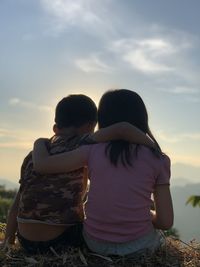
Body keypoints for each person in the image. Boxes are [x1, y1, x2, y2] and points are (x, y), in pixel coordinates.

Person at [2, 93, 154, 254]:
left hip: (26, 241)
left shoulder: (35, 154)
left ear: (55, 128)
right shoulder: (85, 144)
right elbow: (121, 129)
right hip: (61, 241)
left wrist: (8, 241)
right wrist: (152, 146)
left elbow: (17, 203)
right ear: (91, 126)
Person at [33, 89, 174, 256]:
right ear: (142, 119)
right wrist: (148, 214)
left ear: (102, 119)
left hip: (95, 243)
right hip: (139, 246)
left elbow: (43, 165)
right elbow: (165, 222)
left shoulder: (90, 151)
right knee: (161, 238)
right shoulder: (158, 159)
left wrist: (39, 143)